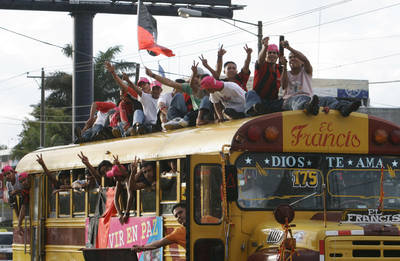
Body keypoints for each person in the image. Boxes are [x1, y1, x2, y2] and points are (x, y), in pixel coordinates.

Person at [281, 40, 361, 116]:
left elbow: (305, 59)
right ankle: (309, 108)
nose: (292, 59)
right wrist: (284, 67)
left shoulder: (307, 71)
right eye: (290, 58)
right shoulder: (286, 73)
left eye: (295, 57)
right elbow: (284, 86)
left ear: (301, 61)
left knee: (329, 99)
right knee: (300, 100)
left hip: (309, 100)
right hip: (290, 101)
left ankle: (344, 108)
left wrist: (289, 48)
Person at [145, 63, 214, 129]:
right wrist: (152, 75)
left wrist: (218, 58)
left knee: (205, 99)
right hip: (191, 116)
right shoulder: (189, 87)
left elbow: (216, 75)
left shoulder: (208, 86)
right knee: (178, 96)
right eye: (195, 76)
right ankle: (175, 121)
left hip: (204, 115)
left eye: (199, 77)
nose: (196, 79)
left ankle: (185, 121)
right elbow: (170, 82)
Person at [108, 156, 155, 224]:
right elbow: (115, 198)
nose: (114, 179)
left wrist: (126, 213)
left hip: (140, 207)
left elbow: (130, 195)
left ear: (120, 176)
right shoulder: (119, 182)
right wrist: (119, 213)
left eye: (115, 176)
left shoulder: (127, 180)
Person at [105, 61, 148, 136]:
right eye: (140, 85)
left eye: (144, 84)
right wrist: (113, 73)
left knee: (137, 112)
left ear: (149, 85)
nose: (142, 87)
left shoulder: (152, 96)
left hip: (147, 122)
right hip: (134, 125)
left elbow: (123, 86)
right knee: (122, 123)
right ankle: (130, 130)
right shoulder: (135, 96)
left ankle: (133, 129)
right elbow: (122, 85)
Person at [245, 37, 285, 116]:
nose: (272, 55)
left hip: (273, 102)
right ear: (265, 55)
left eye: (274, 53)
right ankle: (253, 110)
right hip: (258, 101)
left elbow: (285, 85)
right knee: (250, 93)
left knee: (285, 99)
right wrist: (265, 47)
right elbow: (260, 59)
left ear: (277, 56)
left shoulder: (280, 69)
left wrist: (285, 66)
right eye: (269, 53)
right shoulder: (262, 65)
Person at [2, 166, 30, 232]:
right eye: (5, 175)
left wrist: (17, 191)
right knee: (12, 201)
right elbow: (11, 197)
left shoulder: (19, 177)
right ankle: (19, 221)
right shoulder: (8, 184)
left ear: (14, 172)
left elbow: (26, 188)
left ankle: (19, 223)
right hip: (19, 197)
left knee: (23, 200)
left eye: (8, 173)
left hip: (25, 195)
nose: (7, 176)